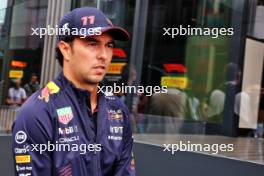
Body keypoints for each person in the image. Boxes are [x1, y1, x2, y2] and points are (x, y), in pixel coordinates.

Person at [12, 7, 135, 176]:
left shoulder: (118, 110)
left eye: (109, 45)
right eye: (92, 44)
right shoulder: (37, 113)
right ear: (66, 49)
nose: (104, 55)